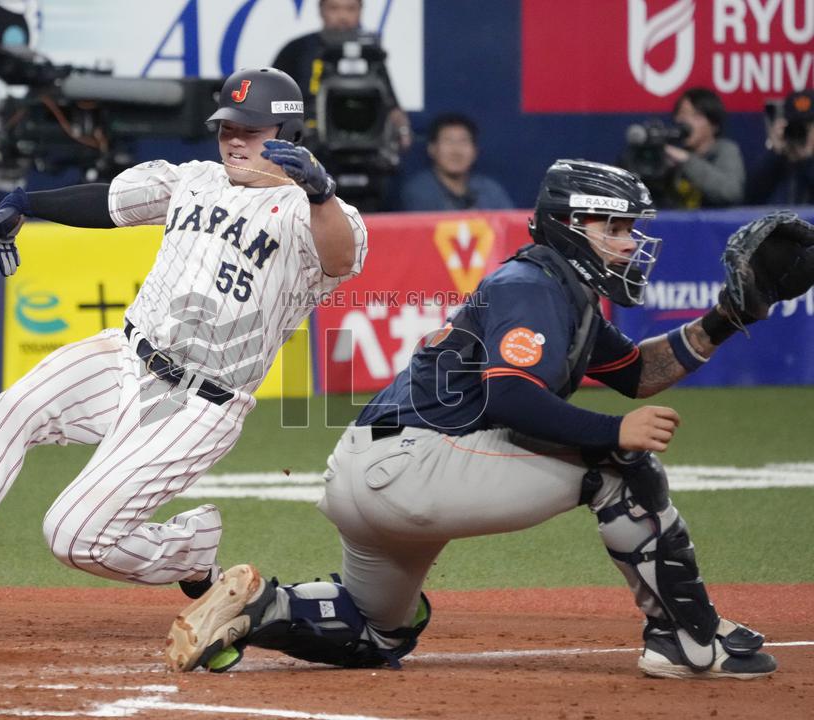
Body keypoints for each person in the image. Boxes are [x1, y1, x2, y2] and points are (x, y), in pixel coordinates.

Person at [163, 160, 779, 681]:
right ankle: (690, 642)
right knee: (619, 468)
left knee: (377, 633)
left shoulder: (555, 290)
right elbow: (511, 397)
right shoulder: (533, 286)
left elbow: (637, 373)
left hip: (367, 466)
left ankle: (258, 607)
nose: (626, 241)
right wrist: (613, 433)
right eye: (613, 226)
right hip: (416, 466)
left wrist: (731, 314)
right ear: (570, 226)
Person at [0, 67, 366, 610]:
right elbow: (109, 202)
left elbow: (341, 257)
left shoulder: (317, 214)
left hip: (200, 403)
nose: (234, 138)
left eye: (250, 129)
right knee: (16, 407)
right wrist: (26, 203)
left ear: (290, 135)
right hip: (124, 356)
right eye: (226, 125)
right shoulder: (194, 179)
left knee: (72, 536)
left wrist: (320, 193)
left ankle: (188, 550)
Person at [272, 0, 411, 150]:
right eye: (334, 8)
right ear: (321, 10)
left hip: (364, 143)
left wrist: (402, 129)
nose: (343, 16)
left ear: (360, 11)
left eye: (350, 9)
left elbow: (391, 105)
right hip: (309, 144)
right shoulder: (298, 49)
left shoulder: (371, 54)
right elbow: (271, 100)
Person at [645, 87, 745, 209]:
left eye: (696, 116)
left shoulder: (725, 150)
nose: (686, 122)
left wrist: (687, 160)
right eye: (682, 114)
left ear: (714, 125)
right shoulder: (670, 152)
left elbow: (731, 192)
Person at [399, 113, 513, 211]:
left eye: (463, 141)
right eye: (448, 141)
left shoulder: (490, 191)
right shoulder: (419, 192)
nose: (456, 150)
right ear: (432, 149)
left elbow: (512, 229)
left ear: (475, 151)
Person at [746, 89, 814, 206]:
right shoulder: (775, 163)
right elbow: (749, 199)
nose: (801, 132)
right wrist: (775, 153)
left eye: (808, 126)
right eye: (796, 125)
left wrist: (807, 161)